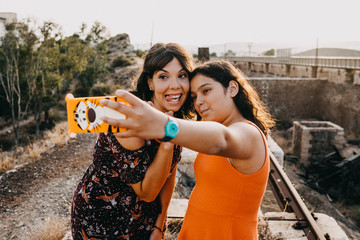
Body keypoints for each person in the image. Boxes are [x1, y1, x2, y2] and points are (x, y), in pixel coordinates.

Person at [100, 60, 275, 239]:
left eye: (206, 91)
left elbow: (222, 139)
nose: (198, 102)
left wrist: (164, 126)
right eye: (193, 96)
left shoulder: (249, 133)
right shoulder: (216, 128)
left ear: (232, 88)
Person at [71, 42, 195, 240]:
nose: (175, 85)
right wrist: (168, 138)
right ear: (150, 82)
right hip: (103, 220)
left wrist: (160, 225)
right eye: (163, 76)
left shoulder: (173, 116)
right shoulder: (129, 121)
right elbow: (147, 192)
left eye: (182, 75)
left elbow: (169, 175)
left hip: (143, 218)